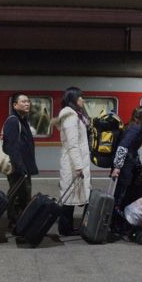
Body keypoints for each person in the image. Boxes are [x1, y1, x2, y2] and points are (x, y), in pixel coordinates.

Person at [55, 87, 91, 236]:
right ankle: (65, 228)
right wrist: (78, 166)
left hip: (77, 160)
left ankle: (69, 227)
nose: (83, 100)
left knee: (72, 195)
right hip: (73, 163)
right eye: (80, 97)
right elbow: (73, 144)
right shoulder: (70, 115)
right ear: (73, 99)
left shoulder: (76, 114)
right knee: (69, 196)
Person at [3, 93, 38, 231]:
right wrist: (20, 168)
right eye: (23, 101)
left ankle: (20, 222)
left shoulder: (22, 120)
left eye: (28, 101)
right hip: (19, 168)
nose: (27, 104)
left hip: (23, 167)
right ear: (15, 105)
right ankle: (15, 223)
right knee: (19, 195)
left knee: (23, 195)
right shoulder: (13, 121)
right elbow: (12, 147)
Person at [111, 106, 142, 228]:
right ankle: (115, 223)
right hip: (124, 168)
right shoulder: (137, 128)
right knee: (120, 195)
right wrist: (117, 167)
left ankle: (116, 221)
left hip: (126, 166)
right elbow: (123, 147)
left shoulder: (132, 125)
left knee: (121, 194)